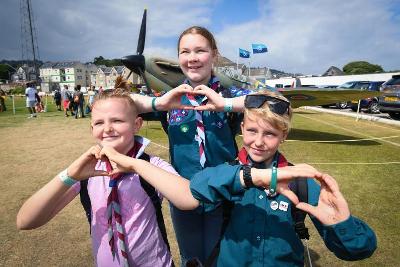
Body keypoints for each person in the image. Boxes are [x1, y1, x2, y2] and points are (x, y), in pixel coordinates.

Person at [99, 91, 377, 266]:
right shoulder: (225, 174)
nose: (258, 142)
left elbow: (359, 251)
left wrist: (343, 224)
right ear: (241, 128)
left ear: (284, 136)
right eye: (252, 130)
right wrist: (250, 177)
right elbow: (195, 190)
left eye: (270, 134)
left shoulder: (300, 182)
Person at [16, 77, 176, 267]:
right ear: (92, 128)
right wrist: (69, 176)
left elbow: (189, 200)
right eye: (99, 123)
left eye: (117, 120)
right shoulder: (86, 172)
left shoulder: (151, 165)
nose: (107, 128)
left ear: (137, 124)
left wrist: (136, 165)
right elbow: (25, 221)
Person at [130, 26, 251, 265]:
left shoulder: (229, 94)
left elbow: (277, 101)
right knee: (191, 259)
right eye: (185, 52)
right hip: (183, 194)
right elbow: (113, 102)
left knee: (224, 258)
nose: (192, 58)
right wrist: (159, 102)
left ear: (214, 55)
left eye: (200, 51)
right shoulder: (171, 98)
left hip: (225, 194)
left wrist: (226, 104)